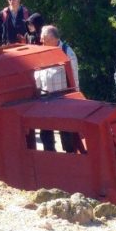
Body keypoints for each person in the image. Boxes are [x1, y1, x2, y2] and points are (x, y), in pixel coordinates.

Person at [34, 25, 81, 153]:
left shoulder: (67, 52)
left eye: (45, 40)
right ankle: (50, 158)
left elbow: (74, 78)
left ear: (55, 39)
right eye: (42, 39)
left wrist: (76, 100)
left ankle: (70, 158)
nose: (42, 42)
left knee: (66, 132)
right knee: (45, 132)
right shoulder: (41, 51)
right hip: (44, 99)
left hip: (63, 100)